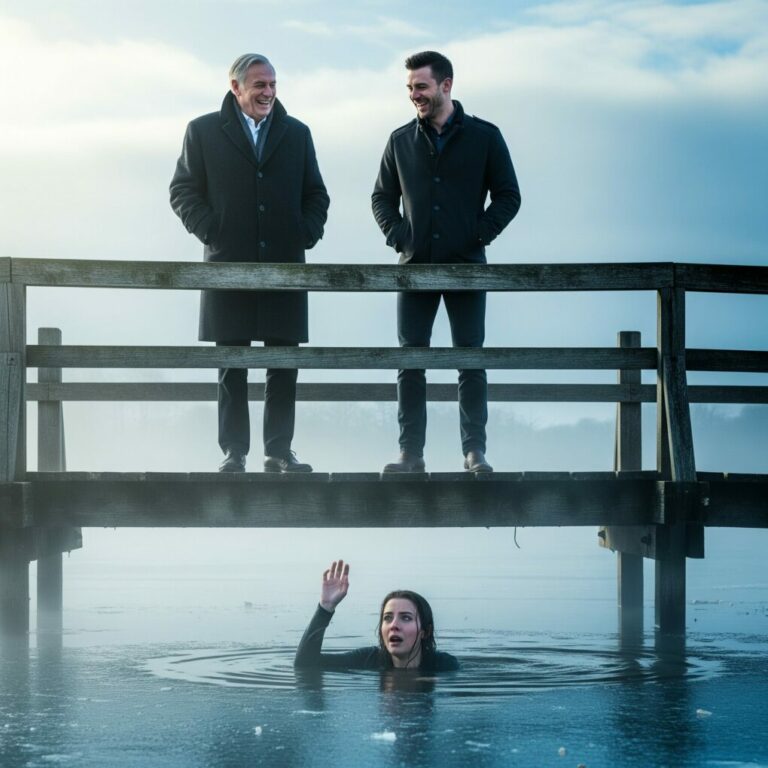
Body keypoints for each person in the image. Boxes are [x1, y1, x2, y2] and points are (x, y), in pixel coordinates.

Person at [170, 54, 330, 473]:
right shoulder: (202, 131)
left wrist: (304, 232)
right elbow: (183, 190)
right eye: (259, 84)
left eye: (273, 84)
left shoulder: (297, 134)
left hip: (284, 265)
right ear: (236, 86)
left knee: (284, 363)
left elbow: (317, 195)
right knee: (231, 364)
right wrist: (212, 230)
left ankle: (278, 452)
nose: (268, 92)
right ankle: (234, 453)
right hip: (228, 264)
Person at [372, 51, 521, 474]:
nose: (414, 95)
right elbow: (381, 197)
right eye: (410, 88)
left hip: (468, 266)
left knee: (470, 360)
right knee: (410, 362)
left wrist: (479, 233)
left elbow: (509, 195)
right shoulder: (399, 140)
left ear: (446, 85)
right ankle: (410, 454)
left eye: (421, 86)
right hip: (414, 267)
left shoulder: (485, 137)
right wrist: (400, 235)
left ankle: (474, 452)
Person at [294, 559, 459, 672]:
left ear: (425, 632)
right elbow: (305, 664)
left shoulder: (444, 666)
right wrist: (326, 607)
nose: (394, 624)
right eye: (387, 618)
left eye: (406, 618)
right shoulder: (368, 660)